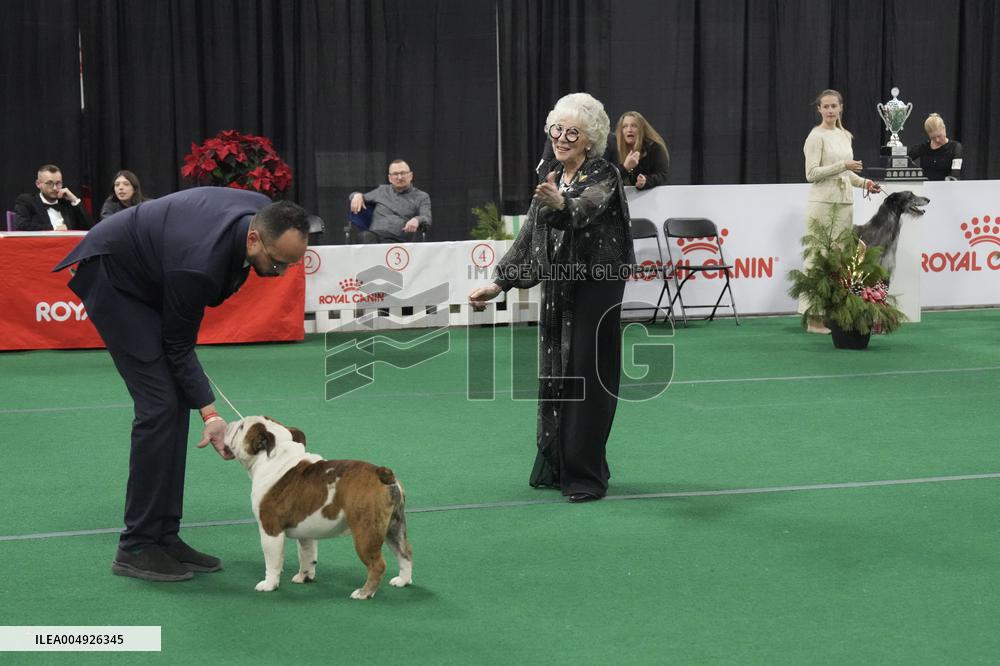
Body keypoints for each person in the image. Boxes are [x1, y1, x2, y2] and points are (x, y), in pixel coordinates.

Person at [53, 187, 310, 582]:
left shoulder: (267, 214)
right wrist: (211, 414)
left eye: (291, 264)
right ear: (254, 238)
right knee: (158, 407)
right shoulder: (198, 264)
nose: (281, 272)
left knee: (174, 404)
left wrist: (201, 407)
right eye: (277, 262)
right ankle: (136, 546)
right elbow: (178, 346)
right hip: (113, 278)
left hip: (153, 271)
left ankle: (164, 537)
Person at [468, 92, 633, 503]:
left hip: (597, 284)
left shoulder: (603, 174)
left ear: (589, 138)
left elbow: (585, 210)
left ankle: (587, 475)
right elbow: (529, 236)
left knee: (586, 376)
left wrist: (563, 202)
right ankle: (564, 464)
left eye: (571, 132)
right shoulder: (553, 176)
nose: (561, 138)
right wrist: (500, 283)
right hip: (560, 283)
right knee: (558, 372)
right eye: (556, 130)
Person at [800, 89, 881, 334]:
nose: (830, 110)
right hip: (823, 204)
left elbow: (846, 173)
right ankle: (813, 318)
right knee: (818, 258)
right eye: (825, 107)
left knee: (839, 261)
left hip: (845, 204)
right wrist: (842, 165)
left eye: (834, 106)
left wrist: (865, 183)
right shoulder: (815, 137)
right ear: (819, 110)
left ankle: (831, 314)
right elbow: (811, 174)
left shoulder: (845, 135)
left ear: (841, 108)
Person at [348, 159, 431, 243]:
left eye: (403, 173)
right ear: (390, 178)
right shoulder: (382, 191)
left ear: (411, 175)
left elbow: (427, 218)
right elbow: (358, 196)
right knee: (364, 236)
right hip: (374, 236)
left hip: (398, 239)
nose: (399, 177)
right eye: (395, 174)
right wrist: (356, 195)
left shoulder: (421, 196)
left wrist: (417, 219)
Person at [13, 164, 93, 231]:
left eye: (58, 183)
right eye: (49, 183)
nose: (55, 188)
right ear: (38, 184)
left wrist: (74, 199)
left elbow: (90, 227)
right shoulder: (27, 201)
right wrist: (54, 228)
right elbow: (20, 225)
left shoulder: (67, 202)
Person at [615, 111, 670, 189]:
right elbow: (610, 180)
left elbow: (662, 175)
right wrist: (625, 168)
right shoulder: (614, 149)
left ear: (641, 129)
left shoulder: (654, 148)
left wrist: (646, 181)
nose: (629, 129)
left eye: (634, 126)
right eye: (625, 126)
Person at [907, 113, 963, 181]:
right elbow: (904, 160)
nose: (937, 140)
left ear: (944, 128)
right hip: (926, 189)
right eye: (933, 137)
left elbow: (955, 174)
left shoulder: (955, 147)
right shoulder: (923, 147)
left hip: (947, 188)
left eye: (939, 136)